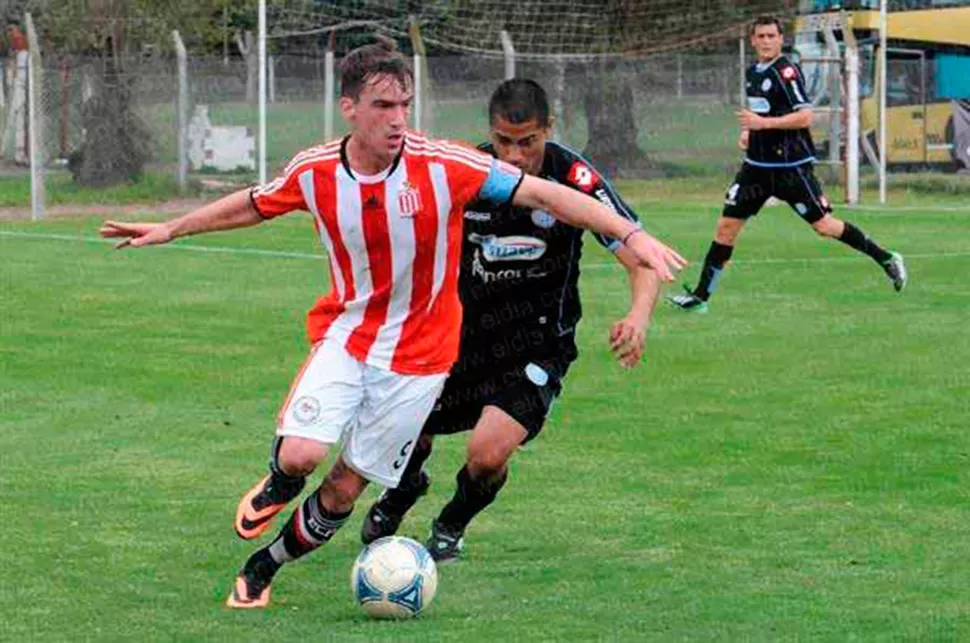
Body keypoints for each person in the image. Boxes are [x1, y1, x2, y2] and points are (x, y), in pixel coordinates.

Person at [99, 40, 686, 609]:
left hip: (432, 356)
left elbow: (551, 196)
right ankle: (282, 481)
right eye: (383, 106)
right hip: (352, 338)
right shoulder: (317, 169)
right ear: (349, 108)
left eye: (405, 105)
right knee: (302, 457)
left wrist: (633, 237)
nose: (397, 118)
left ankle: (265, 567)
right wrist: (172, 228)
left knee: (349, 490)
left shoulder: (448, 165)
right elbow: (254, 202)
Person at [354, 78, 663, 562]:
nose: (515, 156)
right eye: (503, 142)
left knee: (488, 453)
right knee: (406, 431)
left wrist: (638, 315)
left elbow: (638, 253)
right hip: (457, 337)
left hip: (536, 344)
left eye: (528, 142)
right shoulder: (468, 173)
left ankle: (452, 522)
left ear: (549, 129)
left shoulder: (574, 178)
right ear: (490, 133)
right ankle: (403, 489)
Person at [668, 15, 907, 314]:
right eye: (761, 36)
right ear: (753, 40)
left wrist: (762, 124)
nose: (766, 41)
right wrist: (748, 130)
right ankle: (700, 298)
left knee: (824, 226)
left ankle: (886, 258)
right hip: (756, 168)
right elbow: (758, 112)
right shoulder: (753, 72)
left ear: (781, 40)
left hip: (790, 168)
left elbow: (805, 116)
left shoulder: (787, 72)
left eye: (772, 36)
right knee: (726, 228)